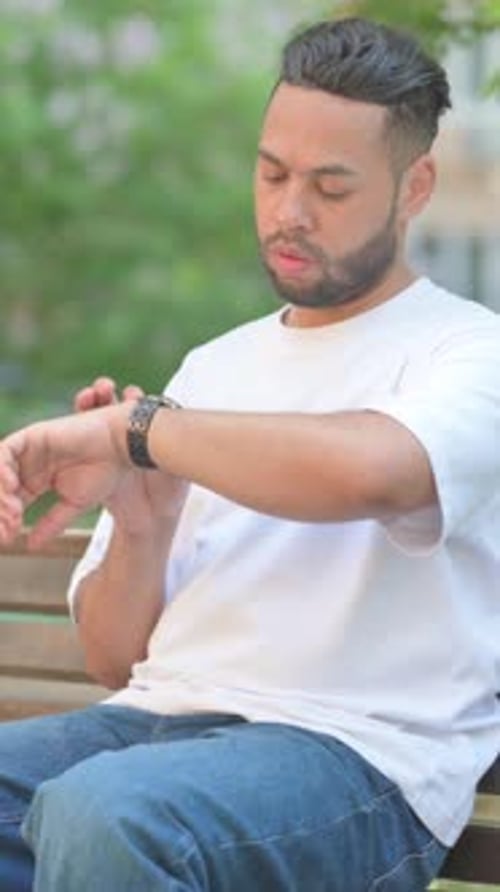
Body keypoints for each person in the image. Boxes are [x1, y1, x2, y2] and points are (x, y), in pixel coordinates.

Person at [0, 15, 499, 892]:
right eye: (271, 174)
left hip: (354, 757)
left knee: (107, 812)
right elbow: (116, 661)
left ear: (415, 186)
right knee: (107, 801)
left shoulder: (469, 354)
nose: (288, 212)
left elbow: (375, 469)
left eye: (331, 187)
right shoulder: (212, 367)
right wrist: (142, 522)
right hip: (155, 729)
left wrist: (140, 432)